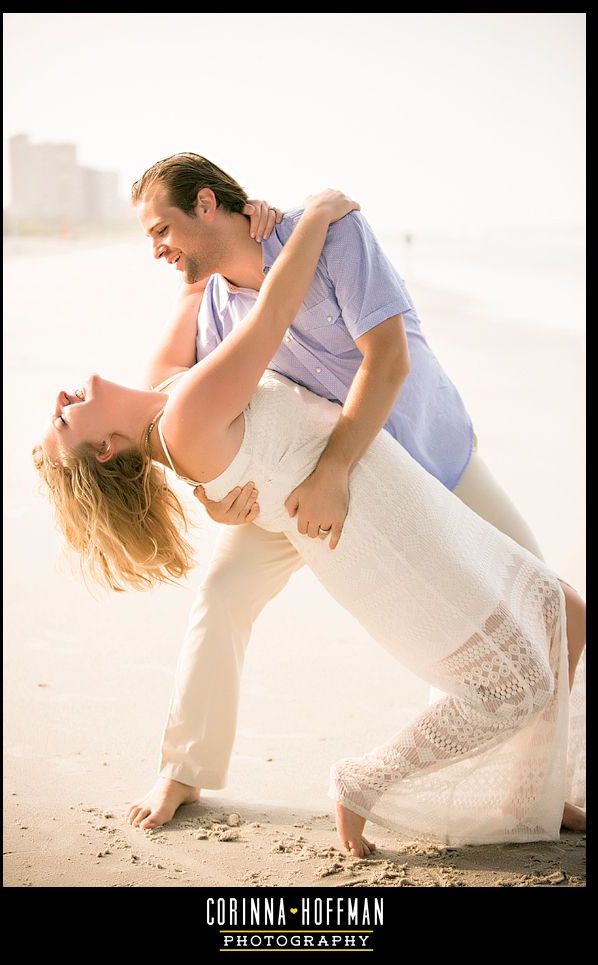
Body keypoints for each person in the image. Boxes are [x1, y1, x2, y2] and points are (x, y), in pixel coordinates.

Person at [34, 190, 586, 856]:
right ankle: (183, 769)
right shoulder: (212, 339)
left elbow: (203, 326)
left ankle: (535, 785)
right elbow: (261, 329)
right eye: (154, 237)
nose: (159, 249)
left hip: (394, 451)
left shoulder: (176, 356)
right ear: (103, 449)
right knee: (223, 594)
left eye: (163, 231)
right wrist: (318, 213)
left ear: (209, 205)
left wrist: (262, 225)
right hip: (301, 493)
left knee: (551, 612)